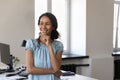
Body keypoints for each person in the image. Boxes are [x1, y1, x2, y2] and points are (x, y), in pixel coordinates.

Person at [25, 12, 64, 80]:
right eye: (41, 23)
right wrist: (53, 71)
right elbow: (30, 70)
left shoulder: (58, 45)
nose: (43, 27)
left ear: (53, 27)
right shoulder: (31, 43)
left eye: (47, 24)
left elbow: (57, 67)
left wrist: (49, 46)